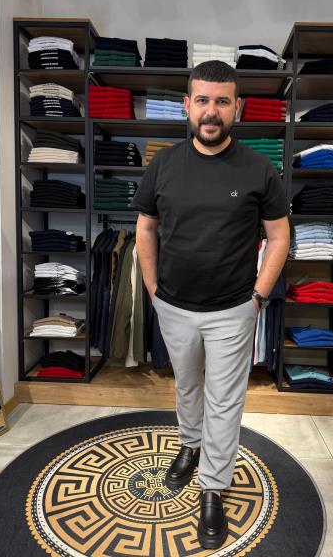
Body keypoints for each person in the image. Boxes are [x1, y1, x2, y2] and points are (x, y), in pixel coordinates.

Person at [132, 60, 290, 550]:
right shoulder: (163, 164)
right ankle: (189, 445)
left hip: (233, 310)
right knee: (186, 386)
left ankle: (213, 488)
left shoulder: (259, 168)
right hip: (174, 306)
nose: (211, 111)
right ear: (187, 105)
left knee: (224, 400)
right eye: (202, 100)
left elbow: (279, 236)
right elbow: (145, 228)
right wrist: (153, 290)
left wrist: (258, 297)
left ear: (237, 107)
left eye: (222, 101)